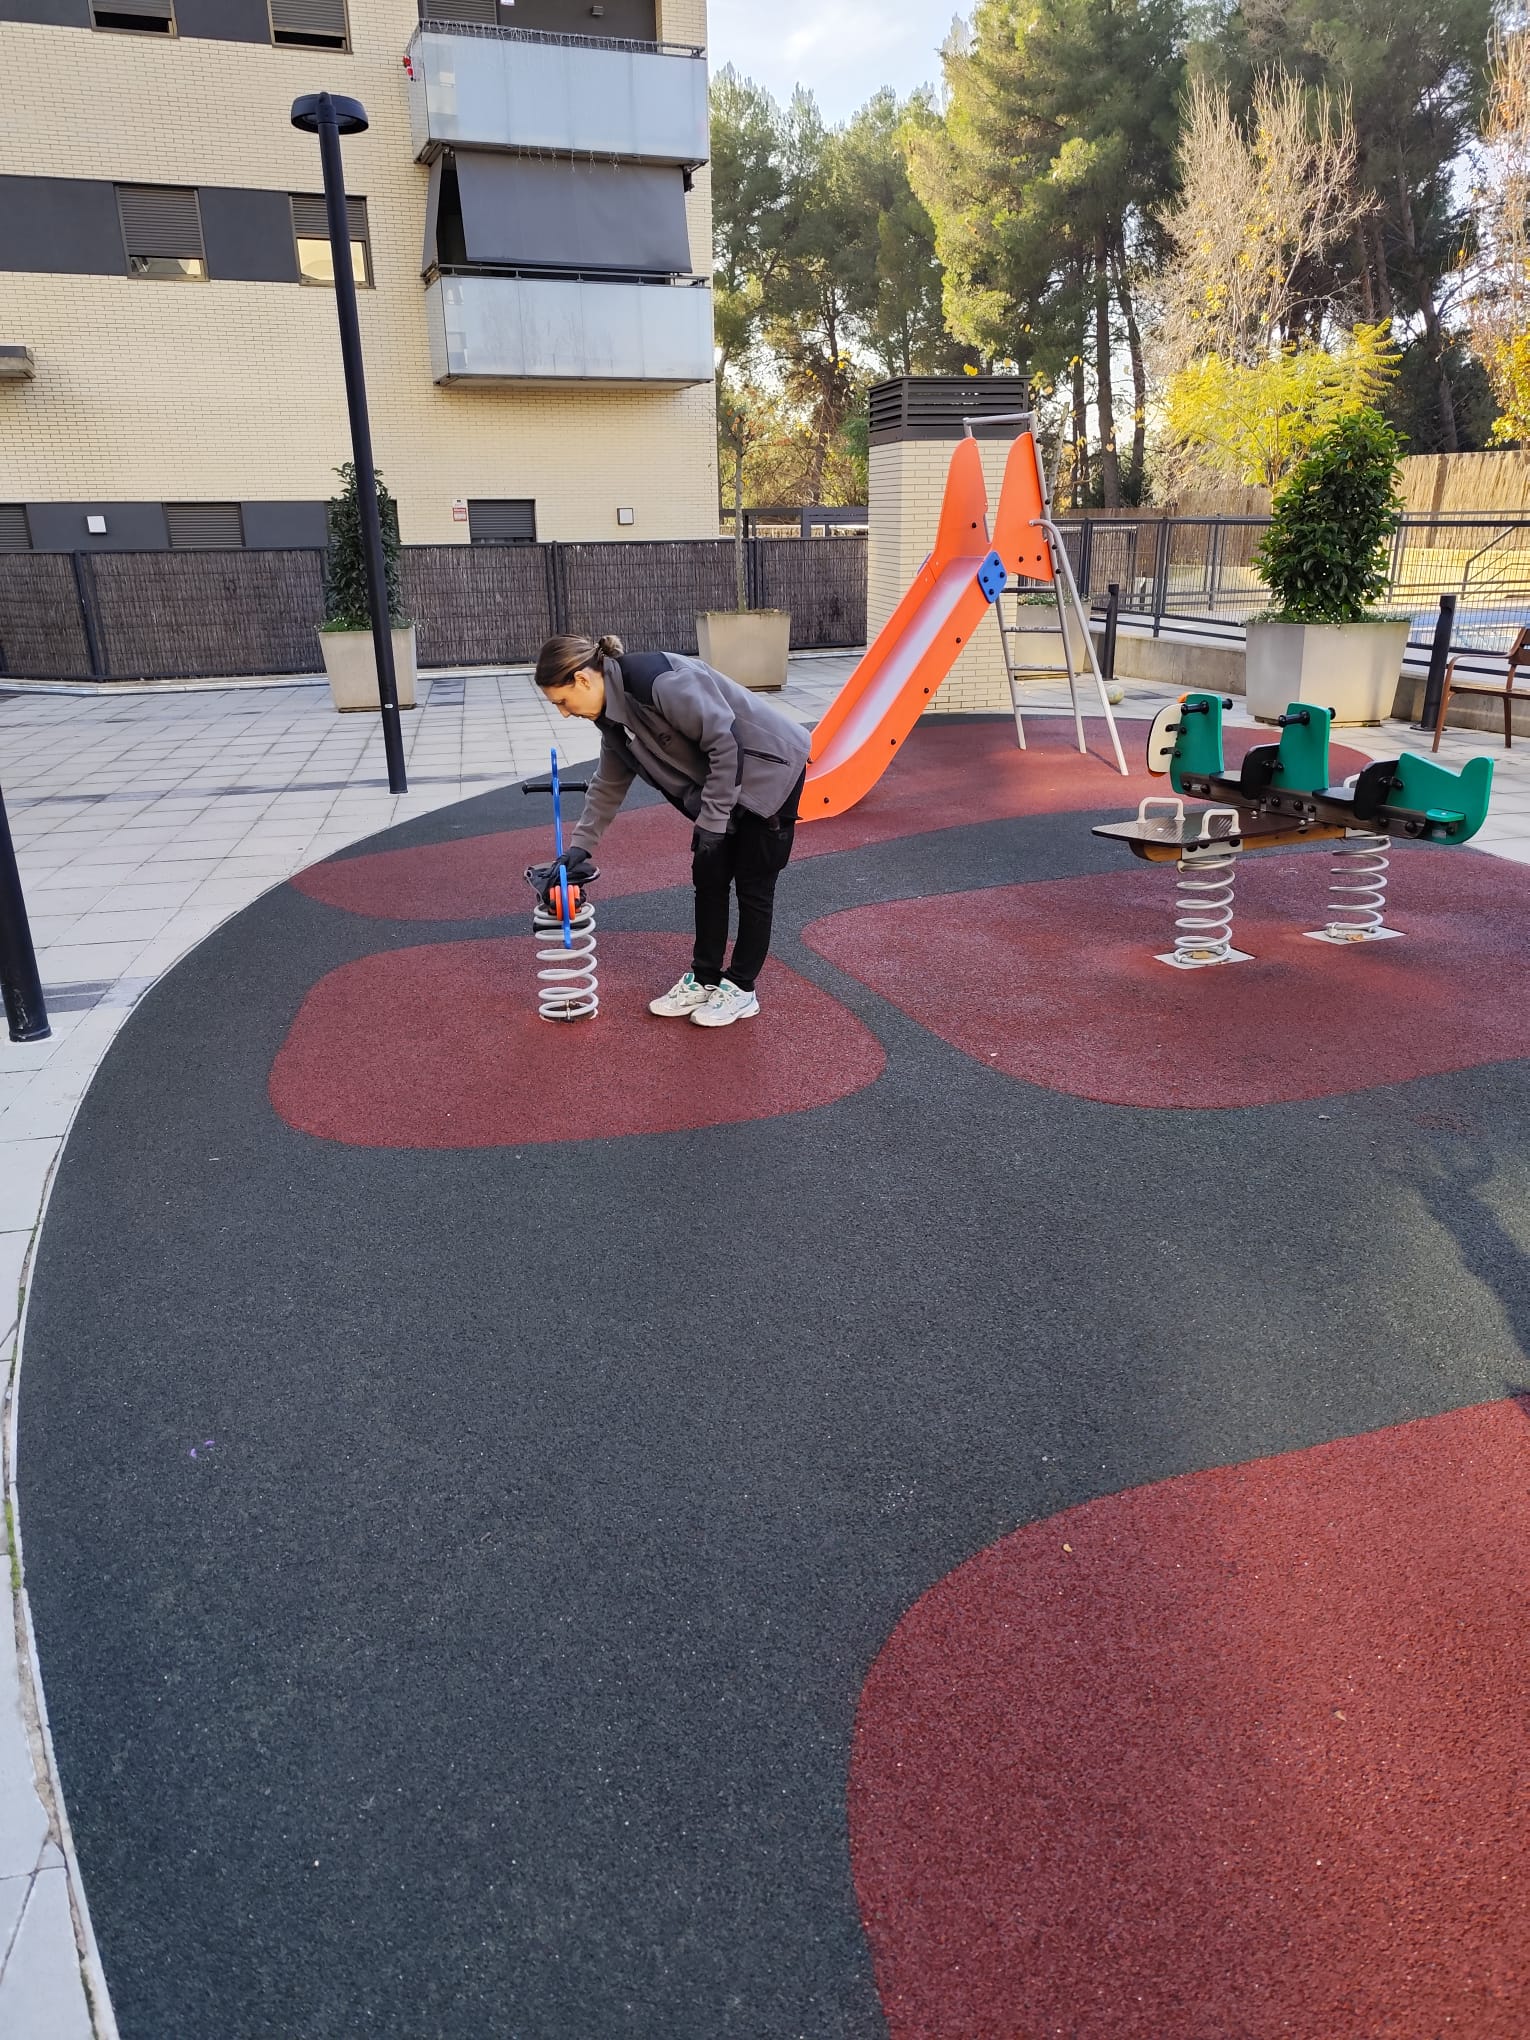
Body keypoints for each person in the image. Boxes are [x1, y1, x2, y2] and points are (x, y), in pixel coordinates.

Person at [532, 632, 811, 1028]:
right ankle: (704, 977)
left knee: (753, 884)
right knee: (709, 876)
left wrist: (712, 821)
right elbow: (608, 783)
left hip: (769, 773)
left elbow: (725, 742)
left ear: (582, 679)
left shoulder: (657, 682)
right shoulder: (612, 718)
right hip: (723, 781)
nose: (563, 712)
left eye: (561, 701)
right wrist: (580, 847)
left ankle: (741, 988)